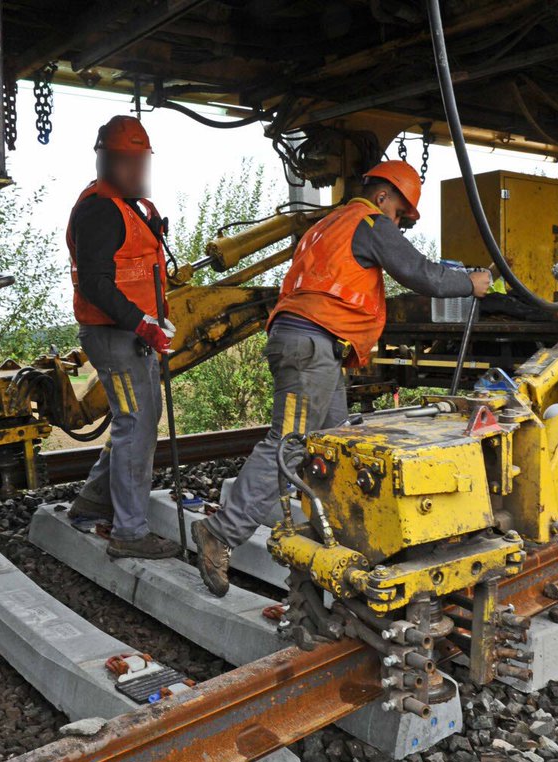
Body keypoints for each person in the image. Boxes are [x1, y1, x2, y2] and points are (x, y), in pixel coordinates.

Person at [190, 160, 492, 595]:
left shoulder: (327, 224)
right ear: (384, 196)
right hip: (308, 345)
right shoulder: (368, 221)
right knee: (289, 444)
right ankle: (221, 532)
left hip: (313, 345)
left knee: (330, 442)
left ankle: (332, 536)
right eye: (401, 214)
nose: (399, 225)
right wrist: (471, 282)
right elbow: (422, 274)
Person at [64, 115, 182, 559]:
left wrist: (151, 322)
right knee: (136, 427)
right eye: (124, 162)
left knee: (139, 422)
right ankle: (130, 533)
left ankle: (92, 503)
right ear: (104, 161)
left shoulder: (132, 207)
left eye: (140, 162)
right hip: (116, 336)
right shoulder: (99, 210)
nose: (135, 171)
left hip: (131, 333)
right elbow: (96, 283)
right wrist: (142, 323)